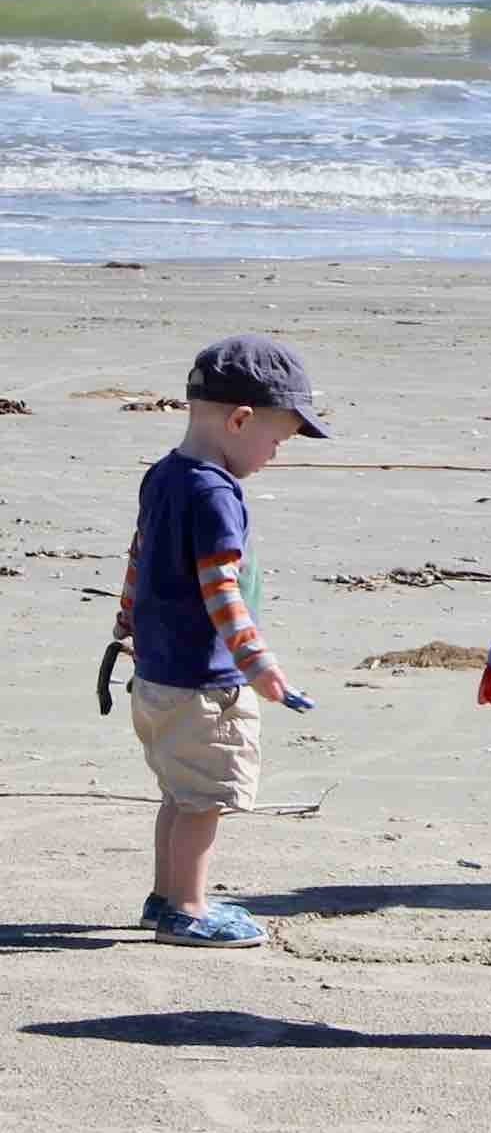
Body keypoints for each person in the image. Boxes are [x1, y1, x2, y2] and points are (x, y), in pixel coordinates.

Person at [110, 335, 329, 945]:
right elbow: (220, 587)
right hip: (205, 685)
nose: (275, 454)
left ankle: (166, 896)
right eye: (277, 440)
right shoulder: (215, 493)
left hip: (156, 674)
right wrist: (256, 661)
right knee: (205, 798)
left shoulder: (164, 475)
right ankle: (188, 908)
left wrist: (127, 622)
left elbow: (138, 555)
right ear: (239, 420)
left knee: (180, 794)